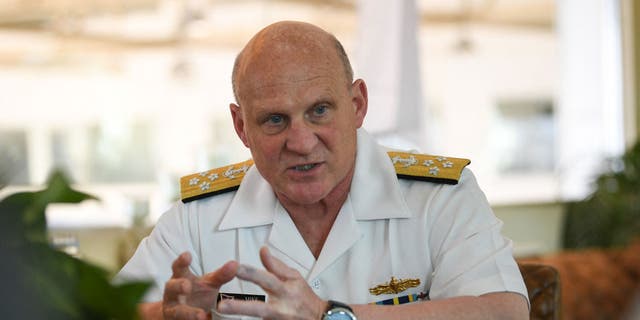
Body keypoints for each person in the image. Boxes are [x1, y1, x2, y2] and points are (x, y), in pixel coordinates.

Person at [116, 20, 529, 320]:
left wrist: (331, 315)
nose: (301, 141)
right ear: (242, 127)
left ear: (357, 105)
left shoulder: (438, 197)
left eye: (319, 111)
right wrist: (162, 315)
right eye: (274, 120)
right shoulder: (198, 216)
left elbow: (503, 310)